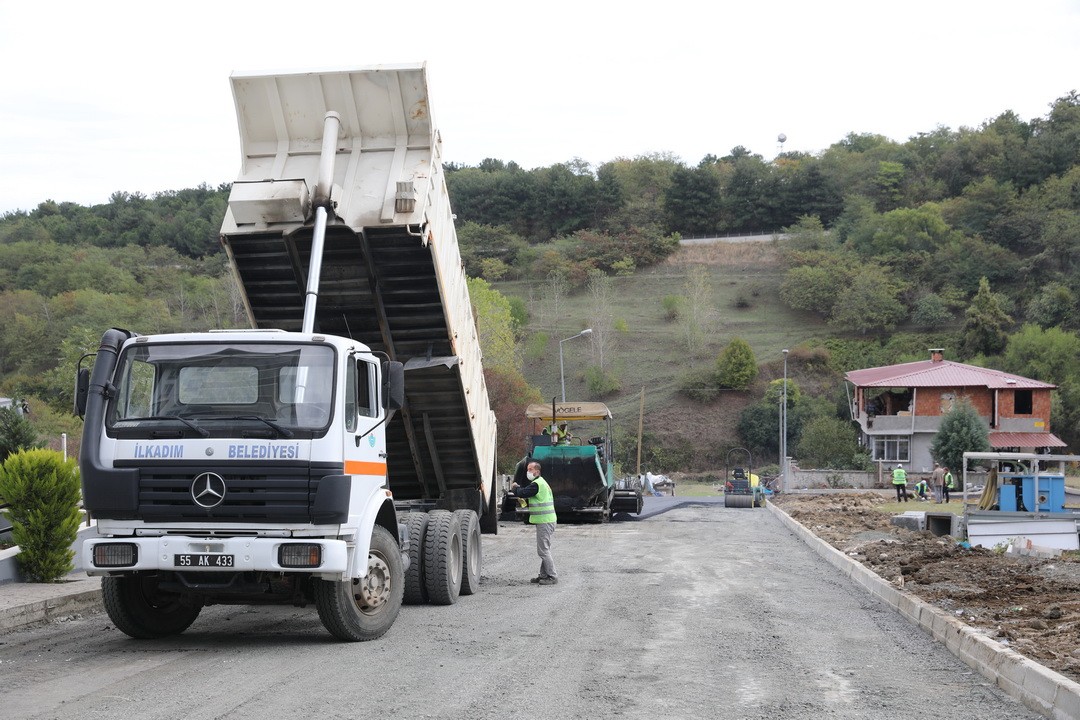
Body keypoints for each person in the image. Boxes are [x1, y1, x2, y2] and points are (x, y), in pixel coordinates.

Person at [509, 460, 558, 585]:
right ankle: (544, 575)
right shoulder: (541, 483)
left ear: (537, 471)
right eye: (527, 470)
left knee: (543, 551)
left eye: (530, 469)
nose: (528, 472)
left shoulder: (537, 484)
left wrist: (515, 487)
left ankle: (552, 576)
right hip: (548, 520)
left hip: (545, 521)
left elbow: (522, 493)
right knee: (544, 549)